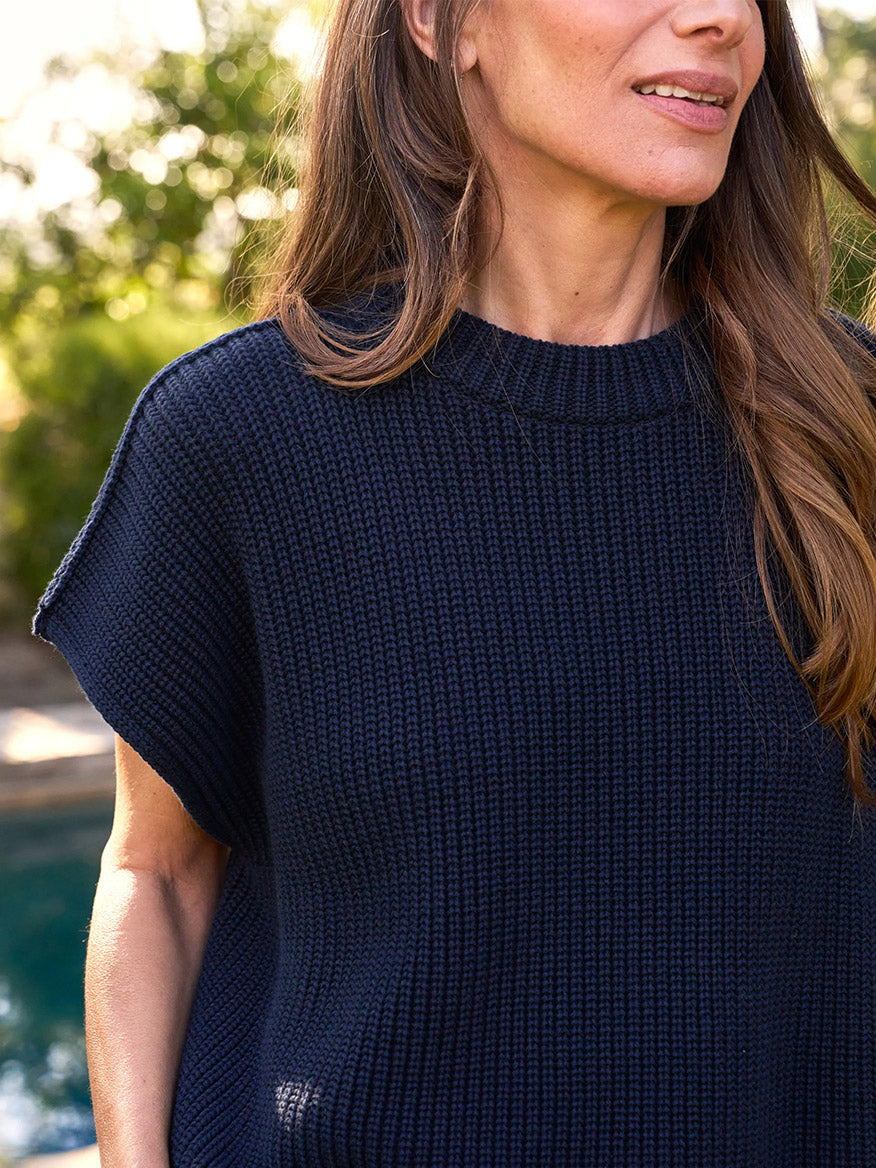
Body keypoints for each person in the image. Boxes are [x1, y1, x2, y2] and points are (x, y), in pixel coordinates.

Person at [31, 0, 876, 1165]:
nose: (721, 19)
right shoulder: (239, 438)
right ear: (440, 21)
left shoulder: (850, 430)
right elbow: (157, 875)